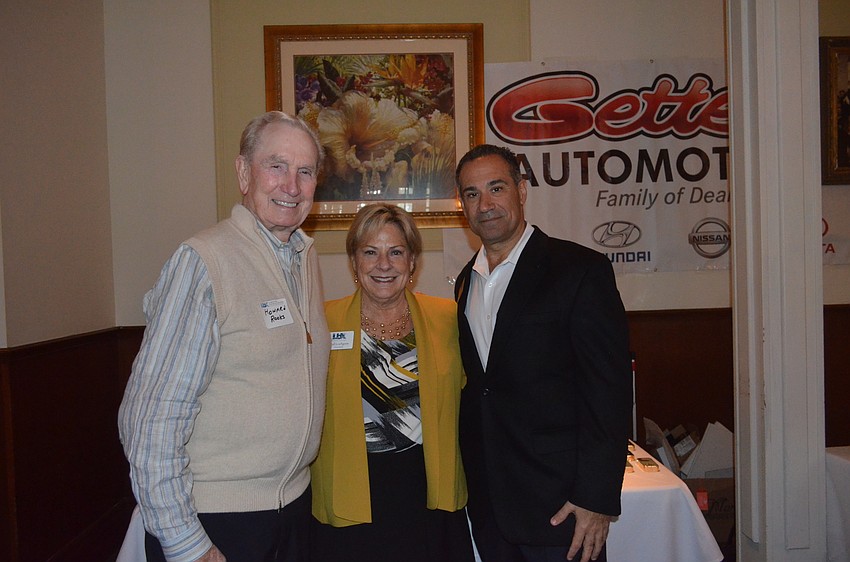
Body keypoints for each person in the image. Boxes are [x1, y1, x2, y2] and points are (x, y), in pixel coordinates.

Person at [118, 111, 331, 562]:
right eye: (276, 166)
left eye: (305, 171)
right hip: (217, 523)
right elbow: (150, 421)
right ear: (243, 173)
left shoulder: (303, 257)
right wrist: (185, 544)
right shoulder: (204, 261)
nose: (291, 186)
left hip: (291, 511)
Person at [453, 144, 632, 562]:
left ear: (522, 189)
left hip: (563, 509)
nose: (486, 204)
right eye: (473, 193)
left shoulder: (578, 270)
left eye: (496, 187)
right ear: (462, 205)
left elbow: (610, 392)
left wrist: (597, 497)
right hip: (491, 507)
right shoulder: (465, 283)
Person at [309, 203, 475, 562]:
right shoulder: (323, 320)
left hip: (428, 493)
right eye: (370, 252)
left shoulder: (447, 318)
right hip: (349, 494)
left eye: (396, 252)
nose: (383, 264)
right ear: (354, 261)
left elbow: (476, 397)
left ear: (412, 261)